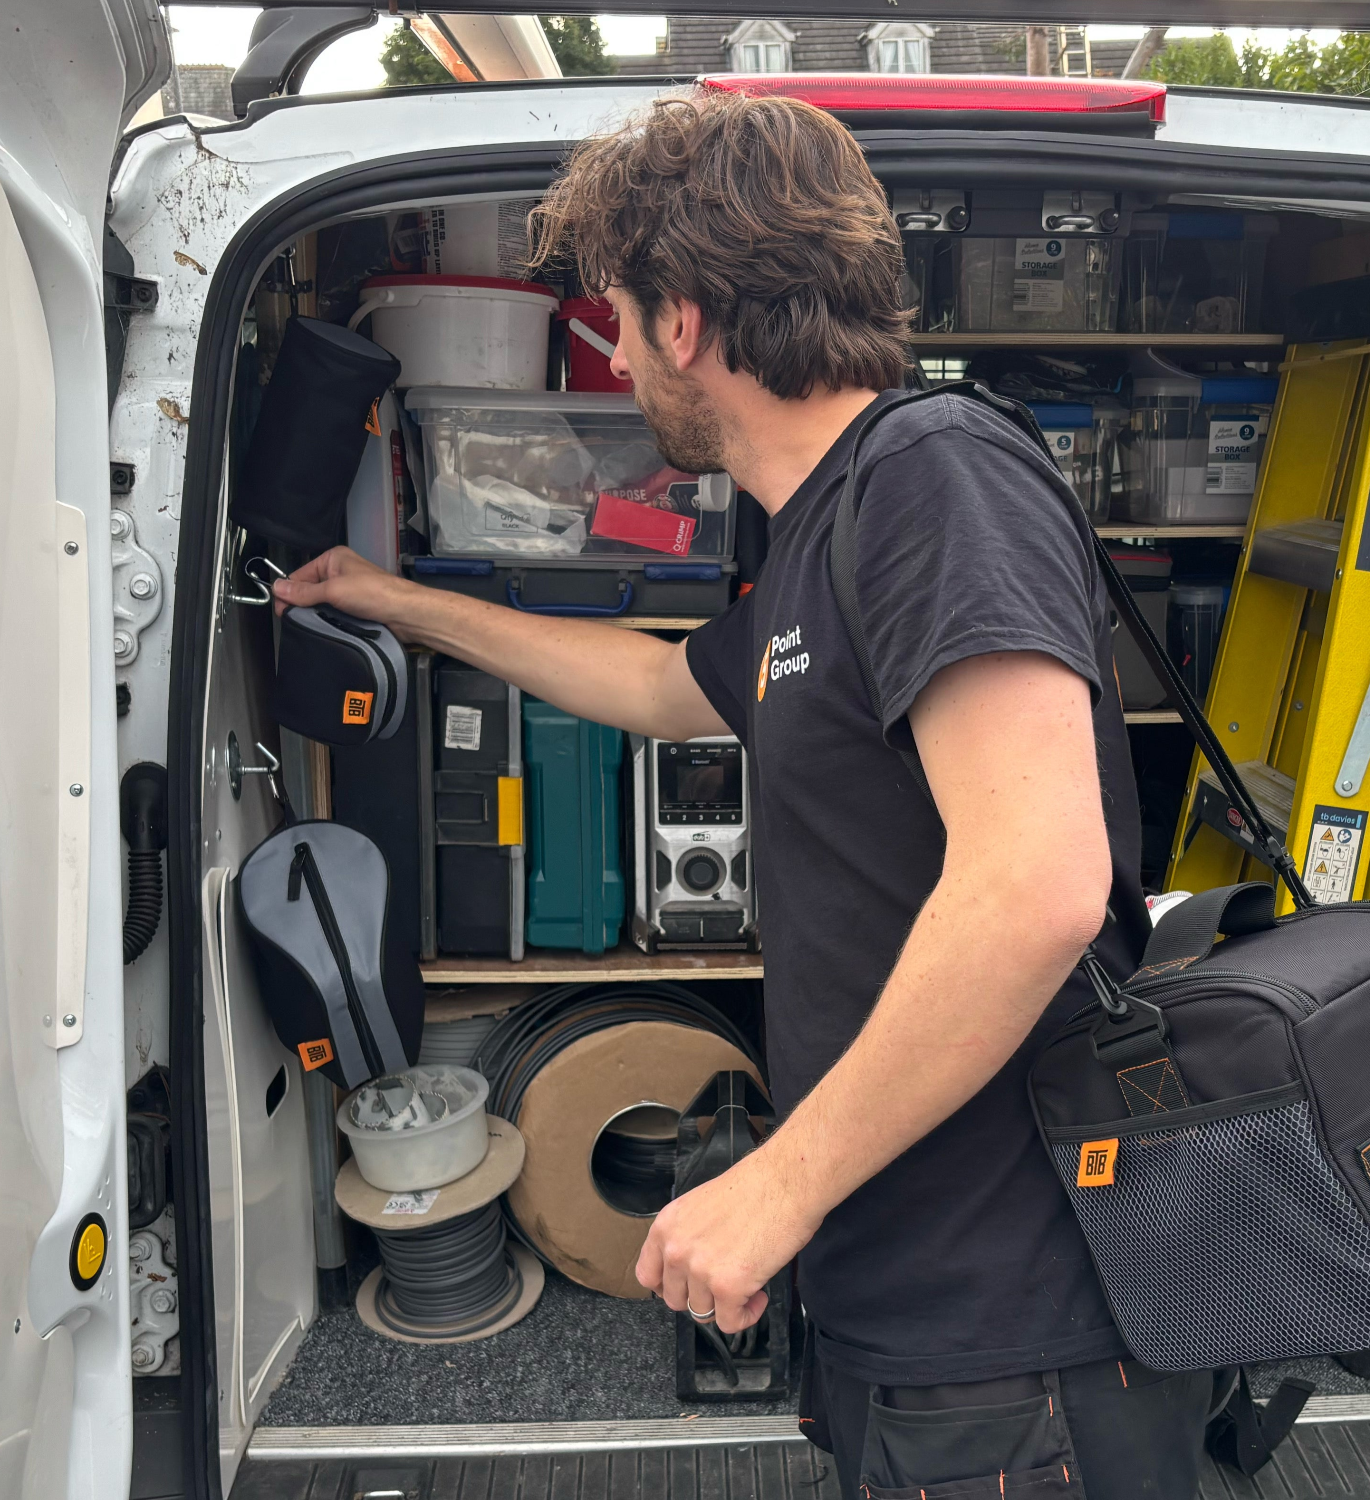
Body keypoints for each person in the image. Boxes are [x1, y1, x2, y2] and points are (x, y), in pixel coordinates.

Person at [274, 90, 1212, 1496]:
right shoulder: (824, 526)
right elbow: (661, 690)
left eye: (617, 318)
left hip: (1017, 1331)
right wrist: (402, 603)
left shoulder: (931, 477)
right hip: (905, 1294)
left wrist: (779, 1182)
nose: (618, 353)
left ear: (687, 320)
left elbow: (1038, 886)